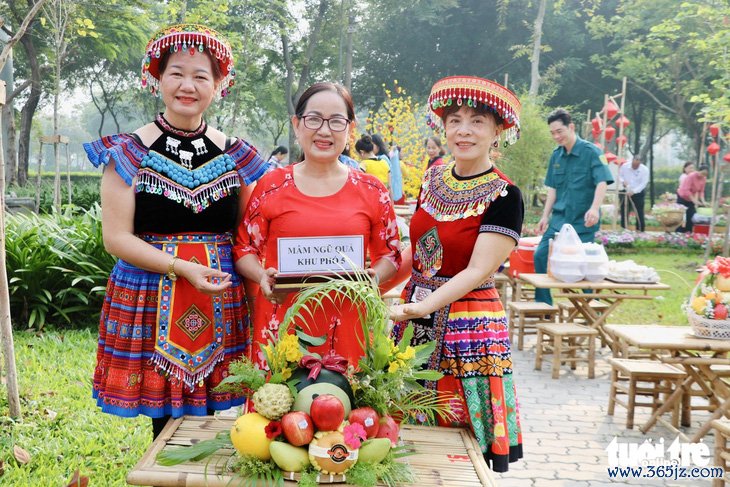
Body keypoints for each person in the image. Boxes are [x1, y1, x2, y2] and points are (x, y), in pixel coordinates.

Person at [83, 24, 270, 439]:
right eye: (177, 73)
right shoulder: (127, 152)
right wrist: (180, 266)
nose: (188, 85)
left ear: (220, 86)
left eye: (201, 76)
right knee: (164, 424)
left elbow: (249, 235)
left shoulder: (237, 156)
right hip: (151, 289)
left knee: (221, 424)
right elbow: (116, 237)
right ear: (157, 79)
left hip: (221, 295)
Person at [389, 76, 524, 472]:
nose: (464, 130)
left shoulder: (504, 195)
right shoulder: (432, 177)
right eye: (456, 120)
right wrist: (372, 281)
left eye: (477, 121)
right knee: (406, 434)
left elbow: (480, 269)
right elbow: (418, 250)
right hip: (415, 315)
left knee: (457, 443)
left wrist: (423, 305)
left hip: (468, 325)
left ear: (498, 131)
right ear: (444, 127)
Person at [234, 82, 402, 368]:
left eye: (336, 121)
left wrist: (373, 277)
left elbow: (391, 253)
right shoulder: (271, 186)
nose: (324, 131)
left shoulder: (372, 190)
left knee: (349, 410)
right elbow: (244, 249)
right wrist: (262, 276)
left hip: (350, 326)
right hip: (282, 328)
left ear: (350, 128)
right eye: (314, 119)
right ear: (297, 124)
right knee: (277, 409)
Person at [534, 108, 613, 305]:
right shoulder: (556, 156)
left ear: (571, 127)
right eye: (552, 133)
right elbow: (552, 188)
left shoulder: (592, 152)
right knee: (540, 255)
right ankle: (544, 306)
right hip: (559, 220)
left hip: (583, 220)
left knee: (585, 266)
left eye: (559, 131)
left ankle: (590, 307)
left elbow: (602, 182)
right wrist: (545, 216)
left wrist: (594, 208)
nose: (556, 136)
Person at [372, 133, 405, 205]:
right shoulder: (376, 158)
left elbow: (388, 179)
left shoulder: (382, 159)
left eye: (372, 145)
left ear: (378, 146)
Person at [619, 156, 649, 231]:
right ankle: (624, 229)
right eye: (634, 164)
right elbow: (619, 175)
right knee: (624, 211)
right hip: (625, 191)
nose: (635, 166)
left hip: (638, 193)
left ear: (640, 163)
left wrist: (634, 191)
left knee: (639, 212)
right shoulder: (625, 166)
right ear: (632, 161)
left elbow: (643, 183)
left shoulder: (644, 169)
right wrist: (623, 181)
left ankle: (640, 229)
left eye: (637, 165)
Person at [676, 164, 709, 233]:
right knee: (681, 216)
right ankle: (679, 233)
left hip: (691, 198)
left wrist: (703, 201)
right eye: (702, 173)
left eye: (705, 174)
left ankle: (688, 232)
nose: (702, 175)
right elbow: (686, 190)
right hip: (682, 196)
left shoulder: (704, 179)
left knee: (691, 215)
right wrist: (694, 200)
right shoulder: (691, 176)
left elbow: (701, 191)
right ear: (698, 171)